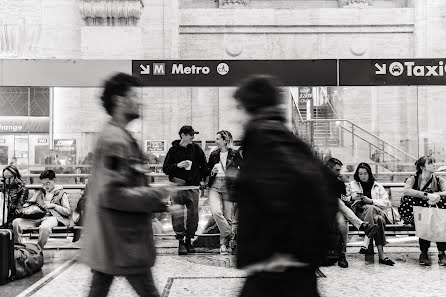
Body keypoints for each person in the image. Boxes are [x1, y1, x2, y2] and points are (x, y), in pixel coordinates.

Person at [232, 75, 338, 297]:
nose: (237, 117)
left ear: (251, 107)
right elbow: (326, 184)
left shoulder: (265, 139)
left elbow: (279, 195)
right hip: (291, 267)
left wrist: (281, 252)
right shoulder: (287, 138)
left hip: (274, 268)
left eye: (239, 108)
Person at [82, 73, 181, 297]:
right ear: (119, 101)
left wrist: (160, 204)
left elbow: (125, 186)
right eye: (135, 96)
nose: (140, 101)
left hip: (117, 238)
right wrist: (156, 193)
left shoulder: (120, 136)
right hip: (123, 240)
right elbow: (113, 194)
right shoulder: (114, 140)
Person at [163, 125, 208, 255]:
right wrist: (177, 165)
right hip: (176, 187)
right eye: (190, 134)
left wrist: (202, 180)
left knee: (193, 214)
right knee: (177, 214)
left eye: (193, 134)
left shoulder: (196, 149)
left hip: (192, 187)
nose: (193, 137)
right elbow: (165, 168)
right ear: (183, 135)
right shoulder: (172, 150)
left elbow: (203, 166)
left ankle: (189, 239)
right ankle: (180, 241)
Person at [325, 158, 378, 268]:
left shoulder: (339, 183)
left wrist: (351, 198)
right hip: (321, 211)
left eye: (340, 170)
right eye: (337, 170)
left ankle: (342, 254)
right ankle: (362, 225)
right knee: (336, 200)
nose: (339, 173)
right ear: (328, 168)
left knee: (342, 222)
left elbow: (344, 200)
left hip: (336, 211)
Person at [401, 156, 446, 266]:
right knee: (427, 220)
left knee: (436, 220)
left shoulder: (439, 179)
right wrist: (426, 195)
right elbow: (406, 191)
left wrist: (434, 196)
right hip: (415, 215)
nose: (434, 165)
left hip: (433, 214)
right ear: (422, 167)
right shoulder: (414, 178)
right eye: (430, 163)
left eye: (434, 162)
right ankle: (428, 253)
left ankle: (439, 252)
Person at [348, 162, 395, 266]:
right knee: (378, 220)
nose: (362, 176)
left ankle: (366, 240)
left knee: (372, 208)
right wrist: (353, 198)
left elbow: (387, 203)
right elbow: (346, 199)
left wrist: (371, 201)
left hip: (378, 211)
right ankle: (382, 255)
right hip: (361, 214)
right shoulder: (352, 185)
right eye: (360, 174)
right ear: (357, 174)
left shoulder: (377, 186)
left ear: (369, 173)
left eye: (365, 173)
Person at [12, 169, 71, 248]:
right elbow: (30, 204)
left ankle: (38, 249)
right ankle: (18, 247)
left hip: (52, 217)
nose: (46, 186)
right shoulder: (40, 192)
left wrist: (54, 206)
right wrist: (28, 205)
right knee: (16, 222)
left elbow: (67, 211)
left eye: (48, 183)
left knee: (45, 227)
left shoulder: (61, 193)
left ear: (54, 180)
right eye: (43, 184)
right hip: (37, 216)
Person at [207, 130, 242, 254]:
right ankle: (230, 233)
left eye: (218, 139)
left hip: (229, 186)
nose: (216, 141)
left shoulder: (235, 154)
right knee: (216, 212)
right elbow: (207, 170)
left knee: (228, 217)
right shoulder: (213, 154)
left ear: (225, 140)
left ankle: (224, 245)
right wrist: (212, 170)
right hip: (215, 185)